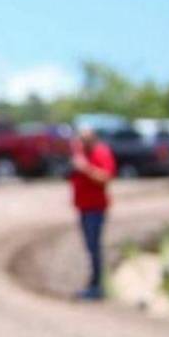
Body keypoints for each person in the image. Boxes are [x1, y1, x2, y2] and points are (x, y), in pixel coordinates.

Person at [69, 125, 117, 300]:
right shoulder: (80, 154)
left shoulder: (101, 153)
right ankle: (93, 284)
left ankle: (97, 287)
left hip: (95, 208)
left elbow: (106, 178)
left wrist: (86, 168)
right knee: (90, 247)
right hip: (82, 207)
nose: (82, 143)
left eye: (85, 140)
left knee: (94, 247)